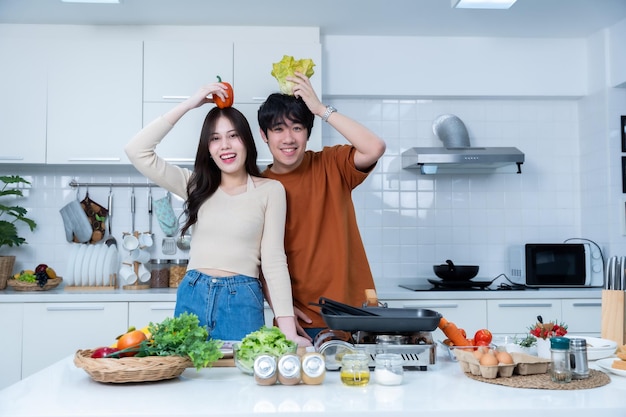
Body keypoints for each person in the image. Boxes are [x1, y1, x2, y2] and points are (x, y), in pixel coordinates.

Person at [125, 81, 310, 346]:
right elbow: (137, 150)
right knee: (188, 380)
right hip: (193, 294)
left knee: (240, 381)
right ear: (208, 149)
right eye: (215, 138)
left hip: (242, 300)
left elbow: (274, 262)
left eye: (233, 136)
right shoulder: (195, 186)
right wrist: (191, 104)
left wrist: (288, 328)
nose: (225, 145)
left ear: (247, 140)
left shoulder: (271, 190)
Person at [258, 72, 386, 340]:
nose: (288, 138)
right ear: (264, 135)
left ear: (308, 132)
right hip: (305, 319)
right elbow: (258, 262)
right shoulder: (258, 186)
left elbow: (374, 147)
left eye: (297, 127)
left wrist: (320, 109)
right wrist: (281, 309)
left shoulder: (332, 164)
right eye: (278, 129)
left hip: (359, 315)